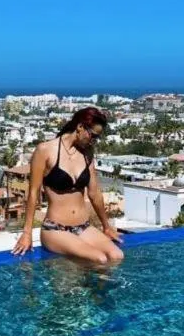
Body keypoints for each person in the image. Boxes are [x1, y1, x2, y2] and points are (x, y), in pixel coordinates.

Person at [12, 107, 124, 265]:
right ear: (80, 127)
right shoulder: (45, 150)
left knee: (117, 255)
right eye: (93, 136)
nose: (94, 141)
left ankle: (96, 290)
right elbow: (33, 193)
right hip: (56, 229)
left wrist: (106, 226)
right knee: (100, 258)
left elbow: (94, 194)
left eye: (97, 138)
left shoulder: (87, 153)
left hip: (83, 227)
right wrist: (27, 233)